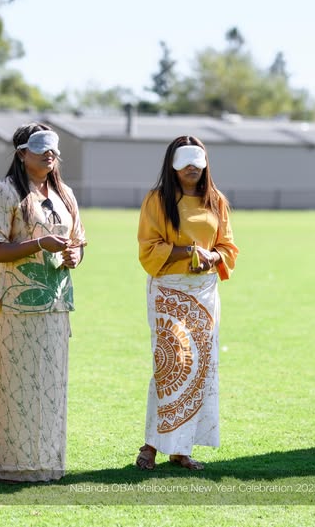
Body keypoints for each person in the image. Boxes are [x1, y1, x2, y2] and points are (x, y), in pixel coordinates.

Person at [0, 122, 86, 482]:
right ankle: (7, 466)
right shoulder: (5, 192)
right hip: (16, 307)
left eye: (53, 148)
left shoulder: (65, 194)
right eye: (41, 148)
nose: (50, 154)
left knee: (49, 387)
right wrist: (39, 244)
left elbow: (77, 244)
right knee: (14, 386)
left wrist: (73, 257)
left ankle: (46, 464)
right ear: (22, 153)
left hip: (55, 306)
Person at [135, 136, 238, 471]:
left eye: (198, 161)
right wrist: (188, 252)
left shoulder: (216, 200)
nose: (192, 168)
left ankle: (181, 449)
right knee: (170, 367)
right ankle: (151, 444)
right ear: (173, 164)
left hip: (205, 293)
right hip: (169, 290)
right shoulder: (157, 200)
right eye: (185, 162)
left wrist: (213, 257)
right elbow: (149, 248)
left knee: (198, 371)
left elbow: (228, 247)